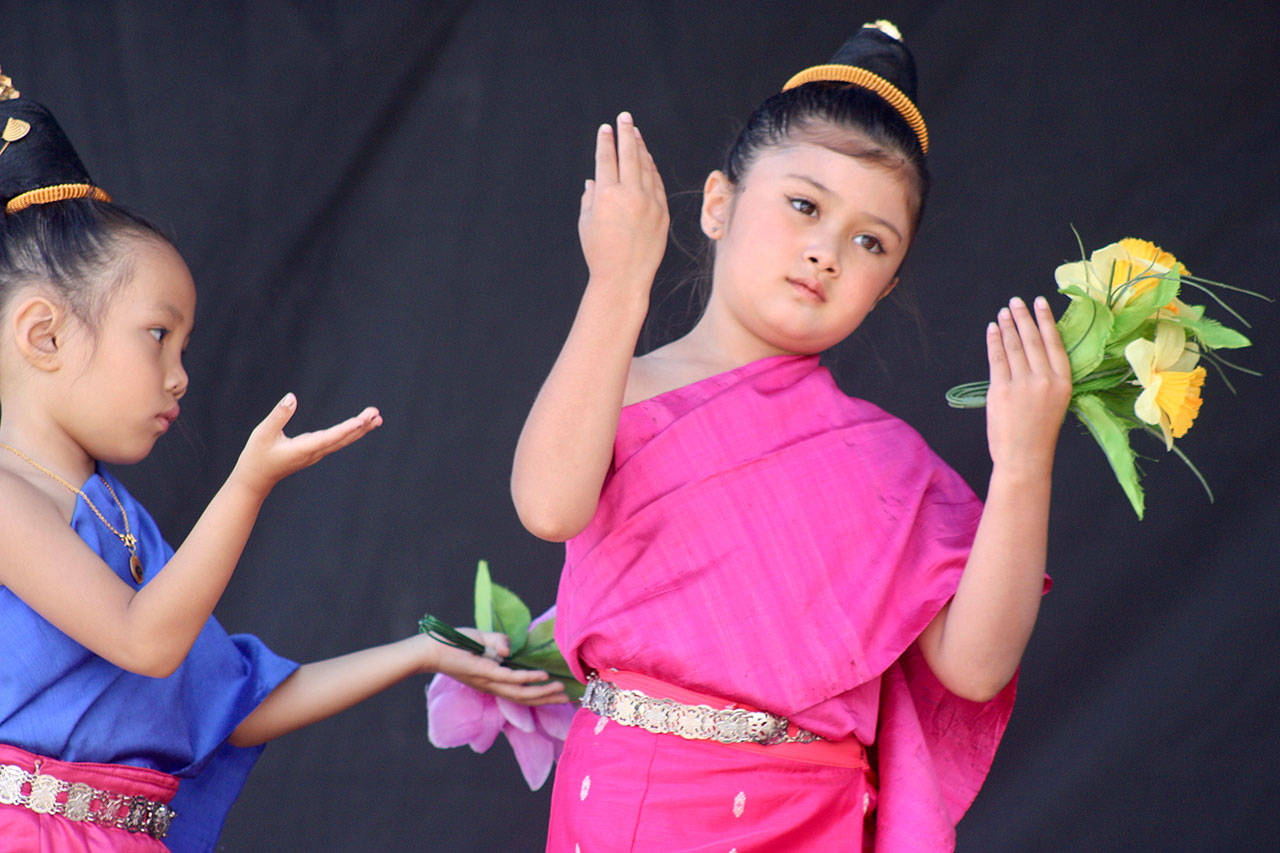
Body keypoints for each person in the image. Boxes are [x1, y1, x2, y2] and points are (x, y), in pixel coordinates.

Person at [511, 21, 1072, 851]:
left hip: (807, 821)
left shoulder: (888, 465)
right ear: (718, 204)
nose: (827, 252)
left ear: (886, 285)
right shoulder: (616, 385)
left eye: (870, 241)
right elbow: (548, 505)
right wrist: (618, 283)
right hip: (623, 803)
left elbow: (974, 667)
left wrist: (1024, 464)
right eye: (805, 205)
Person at [0, 74, 563, 852]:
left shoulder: (112, 510)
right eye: (158, 334)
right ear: (44, 334)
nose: (179, 376)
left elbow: (234, 705)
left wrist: (425, 651)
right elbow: (145, 640)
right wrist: (249, 482)